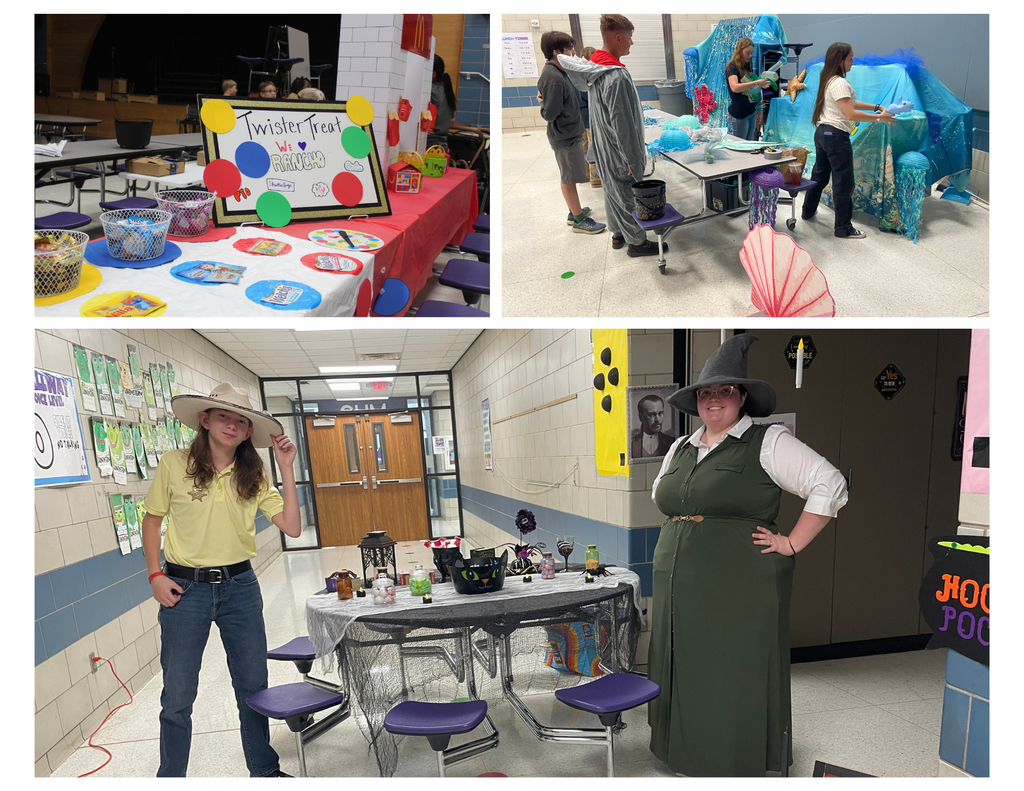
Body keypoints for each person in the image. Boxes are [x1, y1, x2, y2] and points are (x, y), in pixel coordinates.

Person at [646, 334, 848, 777]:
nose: (714, 399)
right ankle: (681, 752)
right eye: (706, 393)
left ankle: (730, 759)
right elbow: (664, 495)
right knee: (682, 663)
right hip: (679, 580)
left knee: (727, 668)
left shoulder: (767, 441)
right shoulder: (681, 447)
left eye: (725, 390)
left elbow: (830, 484)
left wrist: (792, 542)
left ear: (742, 397)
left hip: (737, 581)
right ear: (696, 401)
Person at [142, 383, 302, 777]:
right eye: (223, 416)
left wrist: (286, 467)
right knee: (178, 694)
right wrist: (155, 575)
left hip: (240, 588)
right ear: (205, 419)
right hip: (185, 590)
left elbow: (293, 527)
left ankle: (264, 770)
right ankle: (170, 778)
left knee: (253, 686)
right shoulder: (174, 464)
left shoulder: (253, 473)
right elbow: (152, 520)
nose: (232, 425)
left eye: (240, 421)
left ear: (248, 432)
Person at [561, 14, 662, 257]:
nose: (631, 43)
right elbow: (622, 124)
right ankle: (637, 243)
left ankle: (618, 233)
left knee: (611, 190)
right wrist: (631, 158)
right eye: (629, 38)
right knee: (626, 192)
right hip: (619, 150)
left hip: (604, 146)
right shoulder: (614, 76)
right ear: (618, 38)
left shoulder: (594, 69)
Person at [800, 42, 894, 239]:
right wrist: (880, 118)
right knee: (843, 183)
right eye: (850, 58)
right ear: (840, 60)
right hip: (835, 137)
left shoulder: (829, 80)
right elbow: (850, 113)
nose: (853, 61)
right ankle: (843, 228)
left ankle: (807, 211)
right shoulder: (840, 82)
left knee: (819, 176)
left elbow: (849, 103)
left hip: (823, 133)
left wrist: (876, 107)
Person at [537, 31, 606, 235]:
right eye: (569, 48)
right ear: (556, 51)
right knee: (568, 178)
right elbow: (550, 114)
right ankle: (579, 220)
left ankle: (573, 211)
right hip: (564, 135)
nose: (573, 52)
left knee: (571, 175)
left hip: (570, 132)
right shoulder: (553, 77)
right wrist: (542, 103)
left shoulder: (560, 72)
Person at [724, 38, 769, 141]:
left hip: (750, 111)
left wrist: (760, 85)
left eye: (751, 53)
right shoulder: (732, 67)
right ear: (739, 51)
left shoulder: (746, 65)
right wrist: (756, 83)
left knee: (748, 145)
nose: (750, 55)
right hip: (739, 114)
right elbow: (735, 87)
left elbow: (748, 87)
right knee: (739, 146)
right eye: (747, 53)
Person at [579, 46, 601, 187]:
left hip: (579, 118)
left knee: (584, 147)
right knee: (594, 147)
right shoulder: (591, 77)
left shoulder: (576, 76)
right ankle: (596, 179)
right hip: (591, 117)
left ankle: (585, 174)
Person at [631, 394, 674, 459]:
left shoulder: (671, 442)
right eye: (651, 415)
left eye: (660, 413)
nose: (657, 419)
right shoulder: (631, 444)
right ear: (641, 417)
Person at [428, 54, 457, 150]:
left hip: (428, 146)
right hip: (442, 147)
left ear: (434, 74)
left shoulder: (429, 90)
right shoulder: (447, 90)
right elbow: (452, 121)